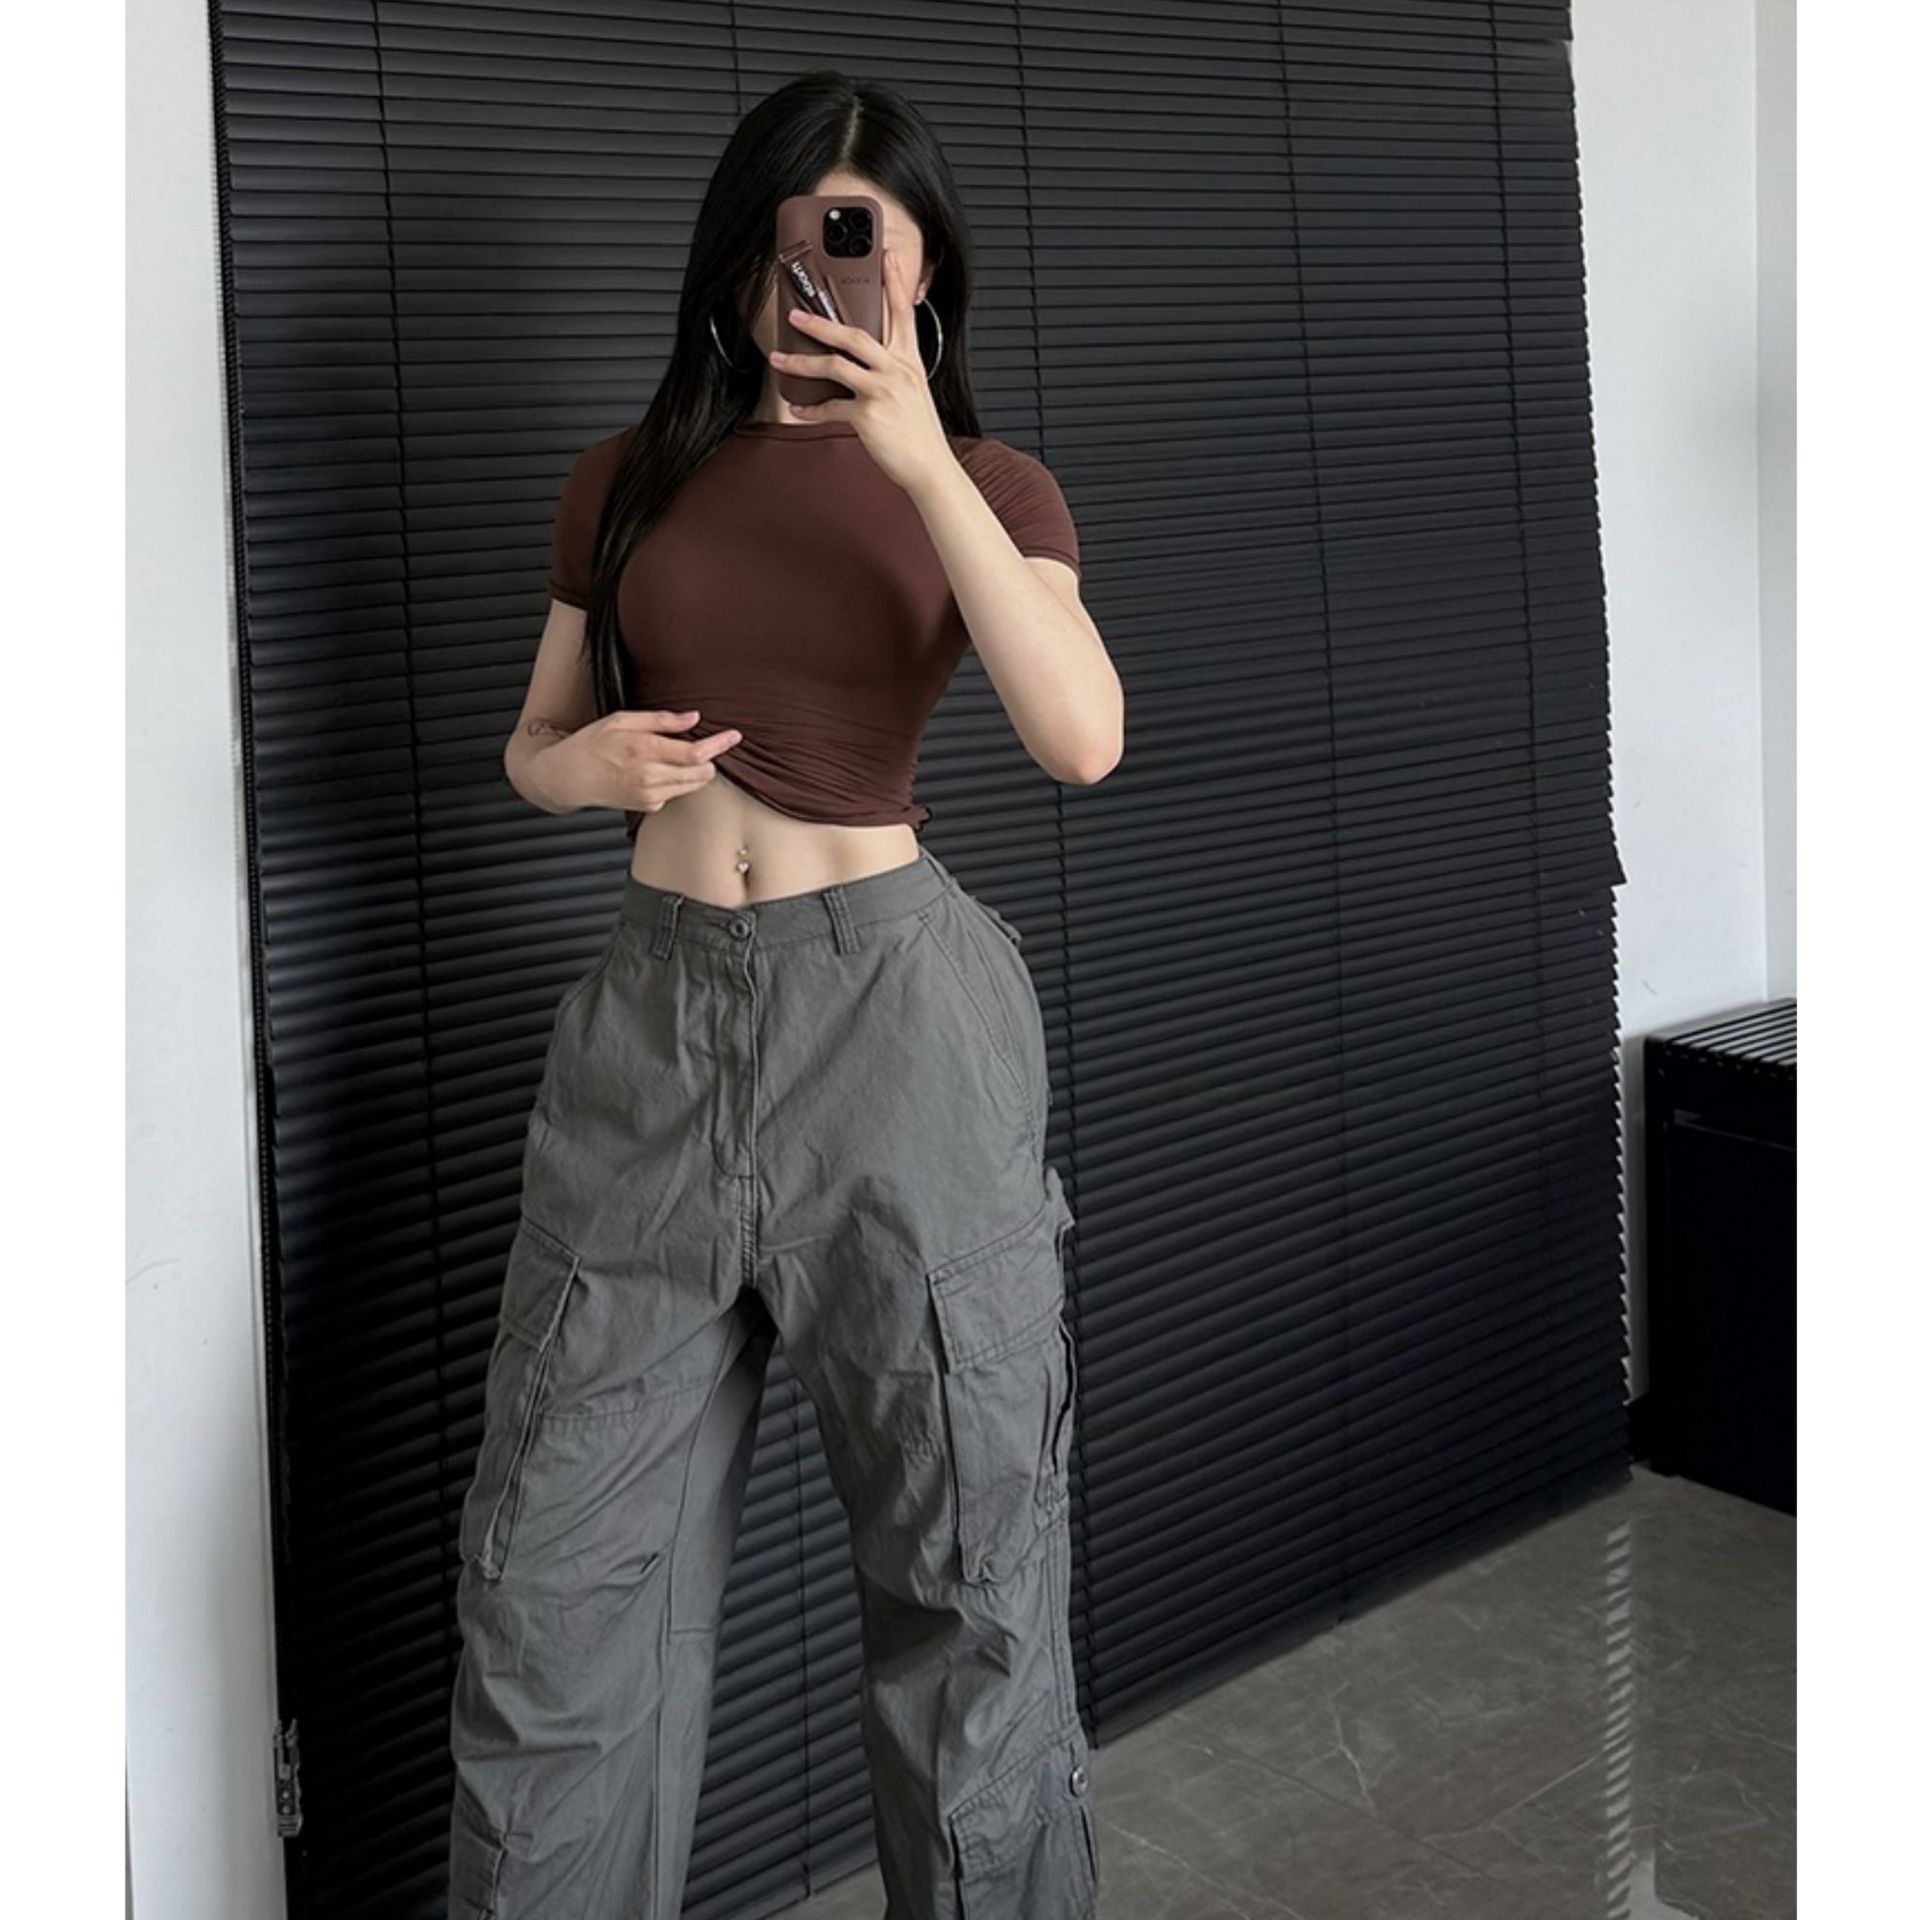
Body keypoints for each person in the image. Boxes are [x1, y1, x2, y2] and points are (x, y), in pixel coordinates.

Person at [447, 69, 1122, 1920]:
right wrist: (577, 773)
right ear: (731, 262)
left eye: (856, 244)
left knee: (971, 1588)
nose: (809, 283)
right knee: (551, 1597)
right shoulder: (626, 480)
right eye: (782, 246)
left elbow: (1081, 737)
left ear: (923, 273)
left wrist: (913, 452)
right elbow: (533, 741)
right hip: (650, 1029)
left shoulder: (990, 486)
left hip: (897, 1025)